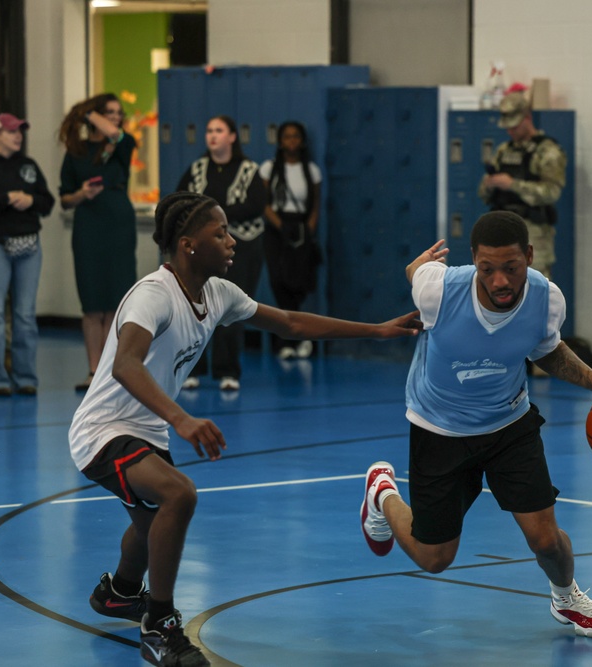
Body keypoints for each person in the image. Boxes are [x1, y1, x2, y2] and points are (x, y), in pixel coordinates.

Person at [70, 191, 421, 667]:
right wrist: (182, 417)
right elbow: (125, 366)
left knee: (152, 519)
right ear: (189, 244)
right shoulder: (153, 295)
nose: (233, 241)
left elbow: (292, 323)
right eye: (221, 233)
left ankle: (119, 592)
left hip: (146, 426)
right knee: (178, 495)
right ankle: (159, 625)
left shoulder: (219, 293)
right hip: (102, 428)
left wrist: (377, 330)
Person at [358, 211, 592, 639]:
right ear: (473, 262)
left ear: (530, 257)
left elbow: (547, 350)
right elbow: (416, 270)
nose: (500, 280)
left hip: (508, 424)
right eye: (487, 269)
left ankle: (566, 596)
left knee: (546, 540)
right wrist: (417, 265)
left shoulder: (547, 298)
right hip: (439, 429)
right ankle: (381, 491)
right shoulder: (438, 289)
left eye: (511, 268)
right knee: (435, 558)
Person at [0, 114, 54, 396]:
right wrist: (4, 199)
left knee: (25, 313)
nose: (18, 136)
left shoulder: (28, 166)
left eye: (20, 131)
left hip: (28, 245)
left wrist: (29, 200)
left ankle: (26, 377)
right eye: (11, 131)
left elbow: (47, 201)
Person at [176, 115, 265, 391]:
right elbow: (182, 200)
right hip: (202, 251)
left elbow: (255, 205)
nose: (212, 135)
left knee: (231, 309)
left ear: (232, 137)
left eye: (219, 130)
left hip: (243, 247)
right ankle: (194, 369)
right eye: (209, 130)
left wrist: (214, 216)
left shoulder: (249, 169)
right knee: (195, 308)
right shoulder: (197, 168)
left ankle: (228, 371)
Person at [59, 93, 138, 392]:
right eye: (109, 112)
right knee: (92, 304)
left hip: (118, 223)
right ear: (96, 115)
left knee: (117, 304)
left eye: (119, 112)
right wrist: (81, 194)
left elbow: (116, 135)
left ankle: (113, 371)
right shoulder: (76, 151)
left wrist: (91, 114)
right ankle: (94, 371)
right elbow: (64, 198)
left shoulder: (123, 144)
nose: (116, 117)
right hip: (88, 226)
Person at [478, 90, 566, 280]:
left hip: (533, 234)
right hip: (503, 232)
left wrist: (513, 185)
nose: (511, 132)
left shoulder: (547, 151)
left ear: (527, 118)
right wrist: (490, 184)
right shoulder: (503, 151)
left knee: (535, 288)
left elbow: (552, 192)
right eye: (508, 128)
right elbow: (482, 194)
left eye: (515, 126)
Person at [259, 121, 322, 360]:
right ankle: (291, 337)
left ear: (302, 140)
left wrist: (309, 228)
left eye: (296, 136)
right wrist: (280, 226)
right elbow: (263, 202)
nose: (291, 141)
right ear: (280, 141)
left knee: (298, 284)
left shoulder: (312, 171)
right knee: (279, 281)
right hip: (277, 229)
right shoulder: (269, 168)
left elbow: (315, 204)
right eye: (287, 136)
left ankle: (295, 337)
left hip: (301, 228)